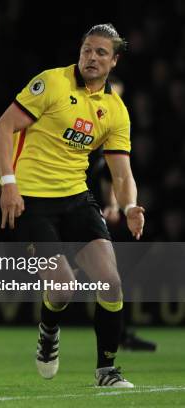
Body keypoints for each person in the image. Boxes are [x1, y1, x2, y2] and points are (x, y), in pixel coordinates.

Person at [0, 24, 145, 387]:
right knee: (62, 288)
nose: (92, 57)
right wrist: (8, 184)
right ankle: (48, 331)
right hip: (30, 202)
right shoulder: (52, 83)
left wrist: (130, 207)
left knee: (110, 282)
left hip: (76, 199)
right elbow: (2, 128)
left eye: (101, 53)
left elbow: (121, 174)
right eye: (87, 50)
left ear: (114, 61)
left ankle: (106, 370)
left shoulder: (115, 109)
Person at [88, 77, 156, 352]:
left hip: (88, 211)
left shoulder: (110, 132)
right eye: (113, 93)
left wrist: (115, 206)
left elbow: (111, 176)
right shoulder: (83, 128)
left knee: (110, 274)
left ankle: (117, 335)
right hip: (65, 203)